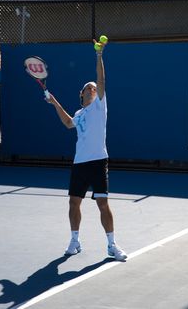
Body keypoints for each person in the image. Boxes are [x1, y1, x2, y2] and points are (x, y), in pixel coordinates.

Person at [46, 41, 127, 261]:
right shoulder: (79, 113)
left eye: (94, 87)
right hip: (79, 163)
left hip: (99, 161)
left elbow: (102, 79)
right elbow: (68, 123)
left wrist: (98, 54)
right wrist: (54, 103)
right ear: (81, 94)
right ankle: (75, 241)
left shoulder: (100, 105)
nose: (93, 88)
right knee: (74, 202)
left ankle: (111, 245)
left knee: (103, 203)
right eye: (88, 88)